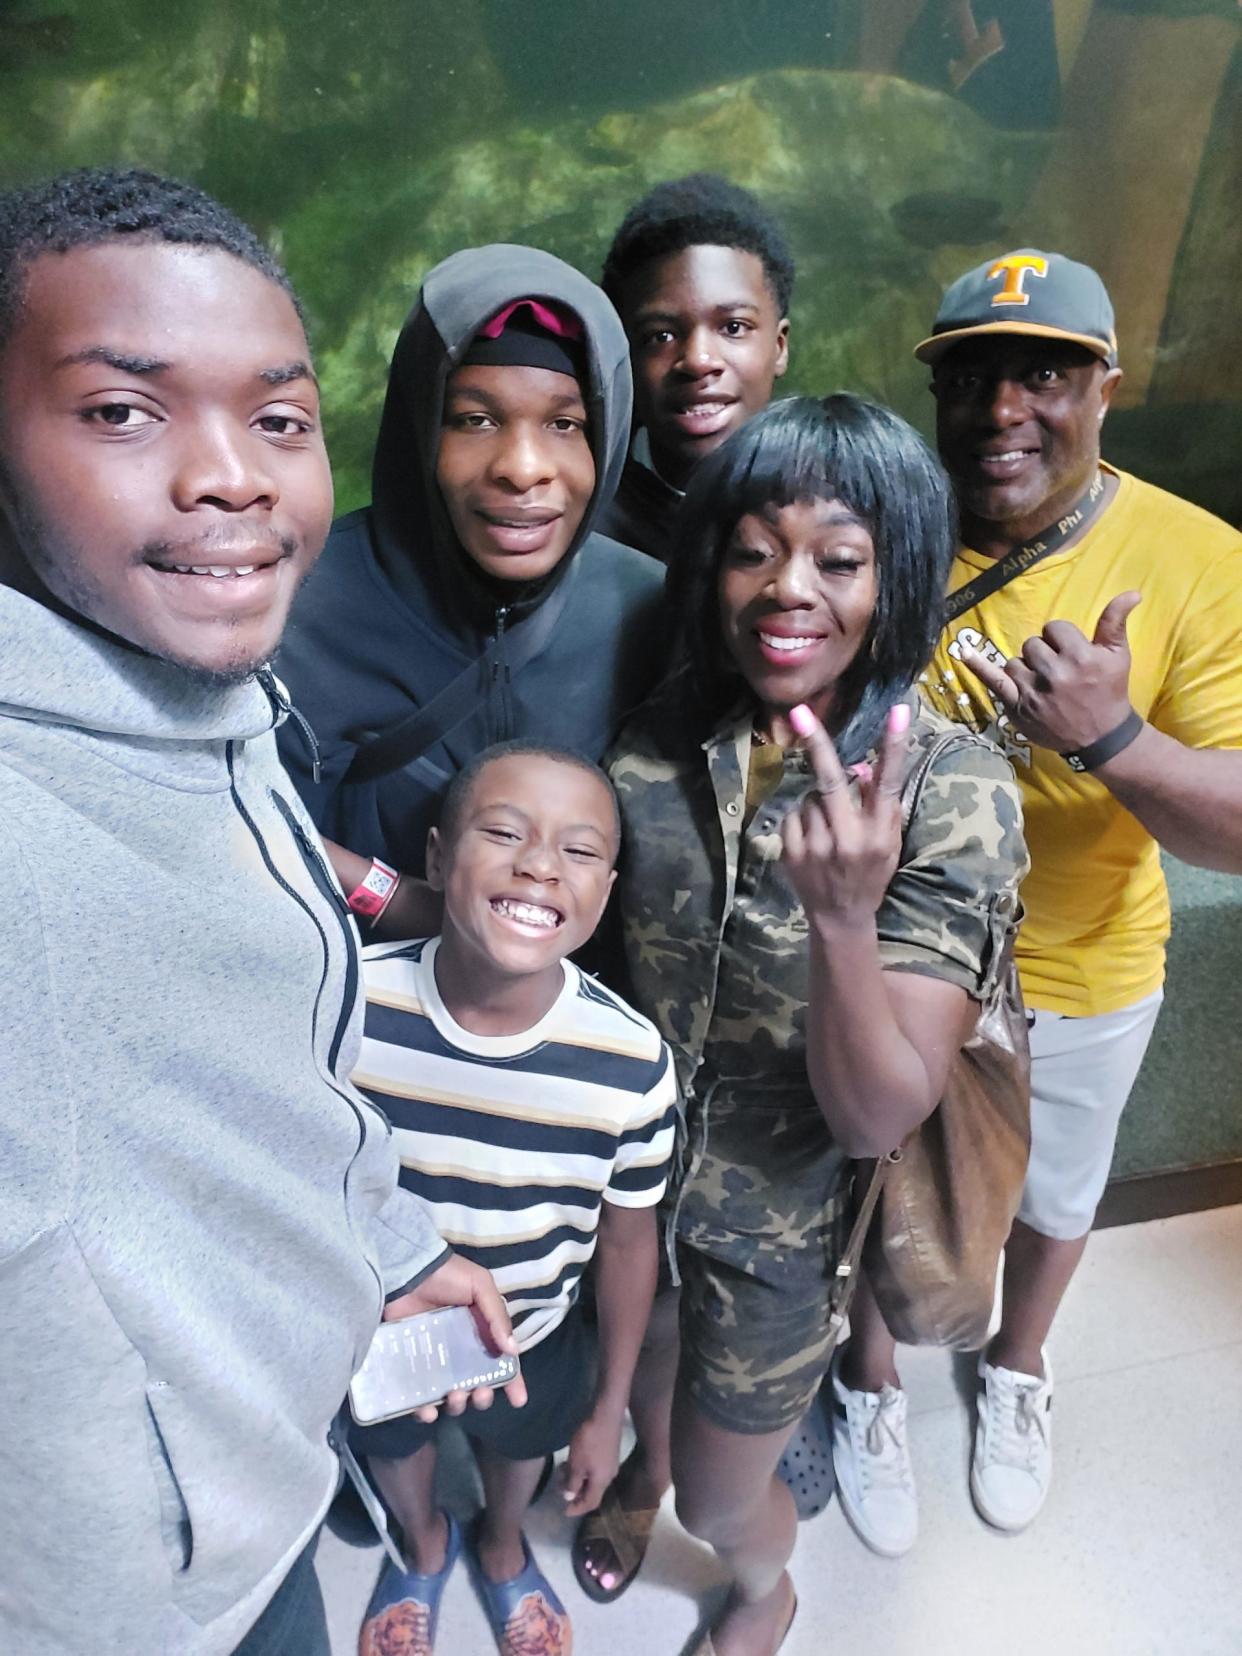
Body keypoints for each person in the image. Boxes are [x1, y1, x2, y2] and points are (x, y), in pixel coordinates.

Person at [0, 168, 520, 1656]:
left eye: (278, 418)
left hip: (262, 1488)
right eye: (121, 410)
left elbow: (259, 1084)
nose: (229, 475)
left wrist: (392, 1240)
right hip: (130, 1602)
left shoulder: (197, 690)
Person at [580, 395, 1027, 1653]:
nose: (789, 588)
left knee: (728, 1496)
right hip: (628, 1178)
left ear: (899, 578)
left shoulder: (952, 790)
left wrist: (843, 920)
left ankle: (764, 1586)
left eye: (838, 558)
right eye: (753, 548)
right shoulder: (659, 741)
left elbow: (881, 1110)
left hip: (782, 1226)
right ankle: (638, 1473)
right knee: (652, 1359)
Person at [833, 248, 1242, 1547]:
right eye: (975, 375)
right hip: (896, 960)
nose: (1005, 407)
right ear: (939, 393)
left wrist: (1111, 737)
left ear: (1106, 386)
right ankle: (866, 1379)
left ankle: (1017, 1368)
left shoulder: (1196, 556)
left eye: (1046, 374)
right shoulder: (878, 520)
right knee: (865, 1176)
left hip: (1082, 956)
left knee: (1059, 1194)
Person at [349, 742, 677, 1656]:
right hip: (384, 1328)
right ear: (437, 858)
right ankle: (421, 1545)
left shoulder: (630, 1063)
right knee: (392, 1447)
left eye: (578, 852)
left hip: (532, 1332)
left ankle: (500, 1549)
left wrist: (609, 1405)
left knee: (518, 1446)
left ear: (604, 895)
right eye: (503, 833)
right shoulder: (350, 1008)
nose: (539, 864)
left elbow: (626, 1243)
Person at [276, 246, 664, 936]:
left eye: (565, 425)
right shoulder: (303, 602)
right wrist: (399, 905)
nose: (521, 468)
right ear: (420, 429)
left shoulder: (652, 611)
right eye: (474, 419)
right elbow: (225, 816)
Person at [598, 172, 793, 563]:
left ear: (779, 346)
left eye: (733, 327)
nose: (699, 360)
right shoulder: (581, 524)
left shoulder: (835, 503)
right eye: (661, 336)